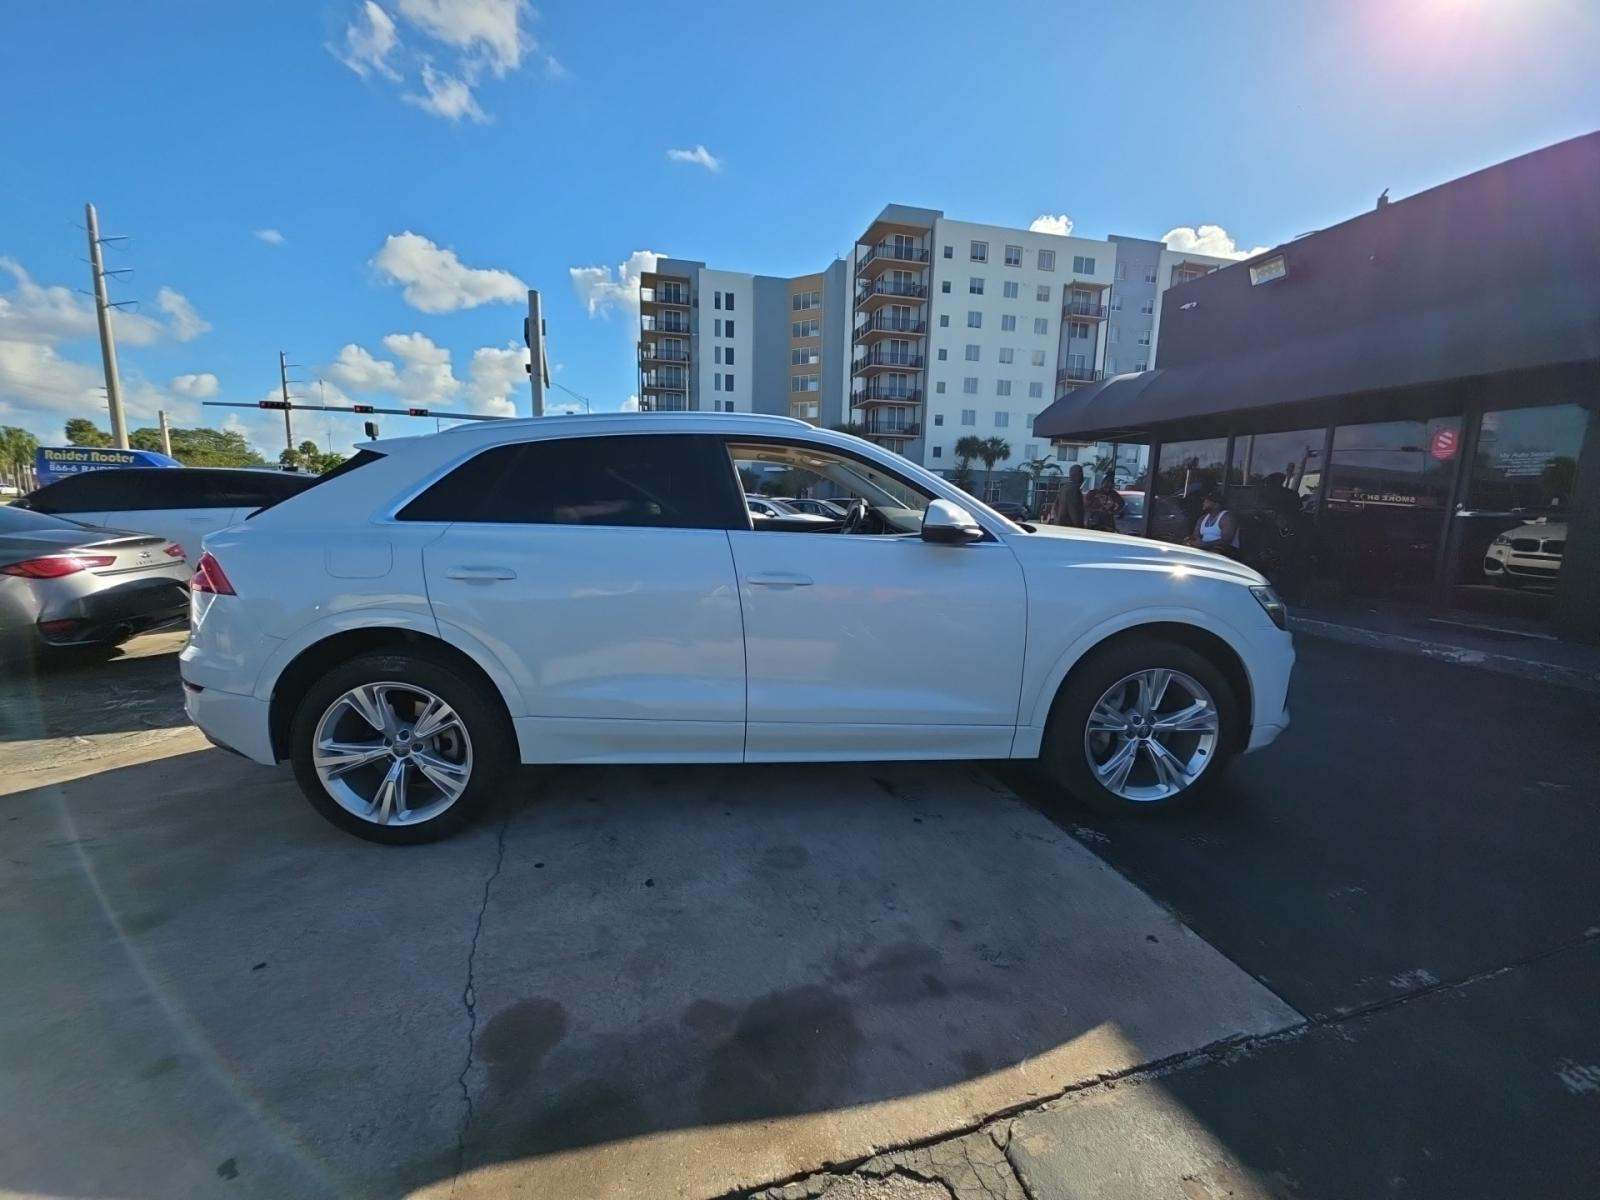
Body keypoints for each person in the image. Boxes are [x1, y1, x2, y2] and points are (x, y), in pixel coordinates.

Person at [1185, 487, 1241, 557]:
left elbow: (1226, 540)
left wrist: (1205, 544)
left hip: (1224, 550)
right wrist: (1191, 541)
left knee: (1215, 552)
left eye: (1207, 501)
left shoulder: (1226, 517)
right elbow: (1196, 535)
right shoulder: (1202, 518)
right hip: (1206, 548)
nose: (1203, 503)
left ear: (1216, 504)